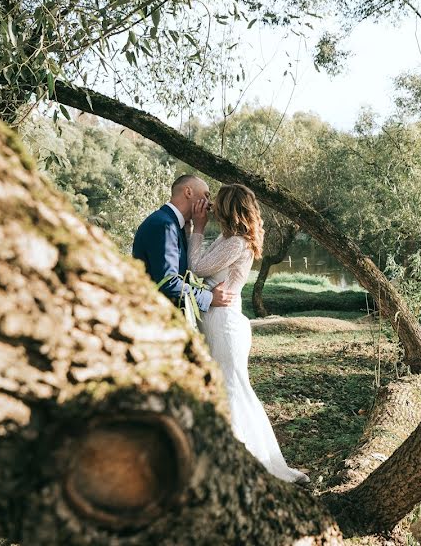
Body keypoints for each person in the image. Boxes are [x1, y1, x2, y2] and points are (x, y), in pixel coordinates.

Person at [187, 183, 310, 484]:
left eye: (216, 203)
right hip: (219, 318)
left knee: (231, 391)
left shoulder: (237, 243)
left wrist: (198, 227)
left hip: (225, 324)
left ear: (228, 209)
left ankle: (243, 464)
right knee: (232, 390)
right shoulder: (229, 238)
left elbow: (197, 266)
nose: (211, 206)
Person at [132, 174, 233, 310]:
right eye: (206, 195)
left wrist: (190, 232)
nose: (209, 203)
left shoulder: (172, 223)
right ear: (188, 192)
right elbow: (169, 282)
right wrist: (209, 298)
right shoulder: (164, 226)